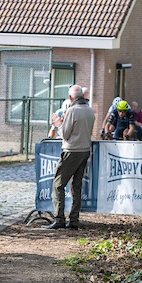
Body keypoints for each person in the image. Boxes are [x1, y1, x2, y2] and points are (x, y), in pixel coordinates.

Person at [45, 85, 95, 230]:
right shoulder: (89, 110)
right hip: (85, 150)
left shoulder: (72, 111)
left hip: (71, 151)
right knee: (76, 186)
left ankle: (59, 218)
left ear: (71, 98)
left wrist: (58, 123)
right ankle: (74, 220)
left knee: (58, 184)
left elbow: (65, 134)